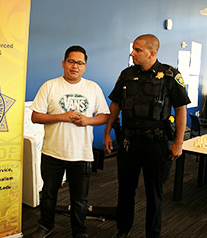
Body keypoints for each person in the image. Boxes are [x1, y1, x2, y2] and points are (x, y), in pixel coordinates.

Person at [103, 34, 191, 238]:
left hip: (156, 143)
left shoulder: (170, 76)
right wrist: (107, 132)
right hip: (129, 142)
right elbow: (115, 105)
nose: (132, 53)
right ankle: (122, 229)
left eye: (137, 50)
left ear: (152, 53)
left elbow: (180, 110)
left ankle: (153, 233)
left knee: (154, 192)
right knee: (125, 189)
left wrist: (179, 142)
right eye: (133, 49)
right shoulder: (126, 75)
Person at [27, 45, 110, 238]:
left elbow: (104, 115)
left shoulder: (93, 87)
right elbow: (36, 117)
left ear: (85, 66)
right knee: (49, 194)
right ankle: (46, 225)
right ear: (63, 63)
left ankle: (79, 231)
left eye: (80, 63)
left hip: (81, 154)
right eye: (71, 62)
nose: (75, 66)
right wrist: (61, 117)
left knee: (80, 198)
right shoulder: (50, 86)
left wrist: (88, 120)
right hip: (52, 152)